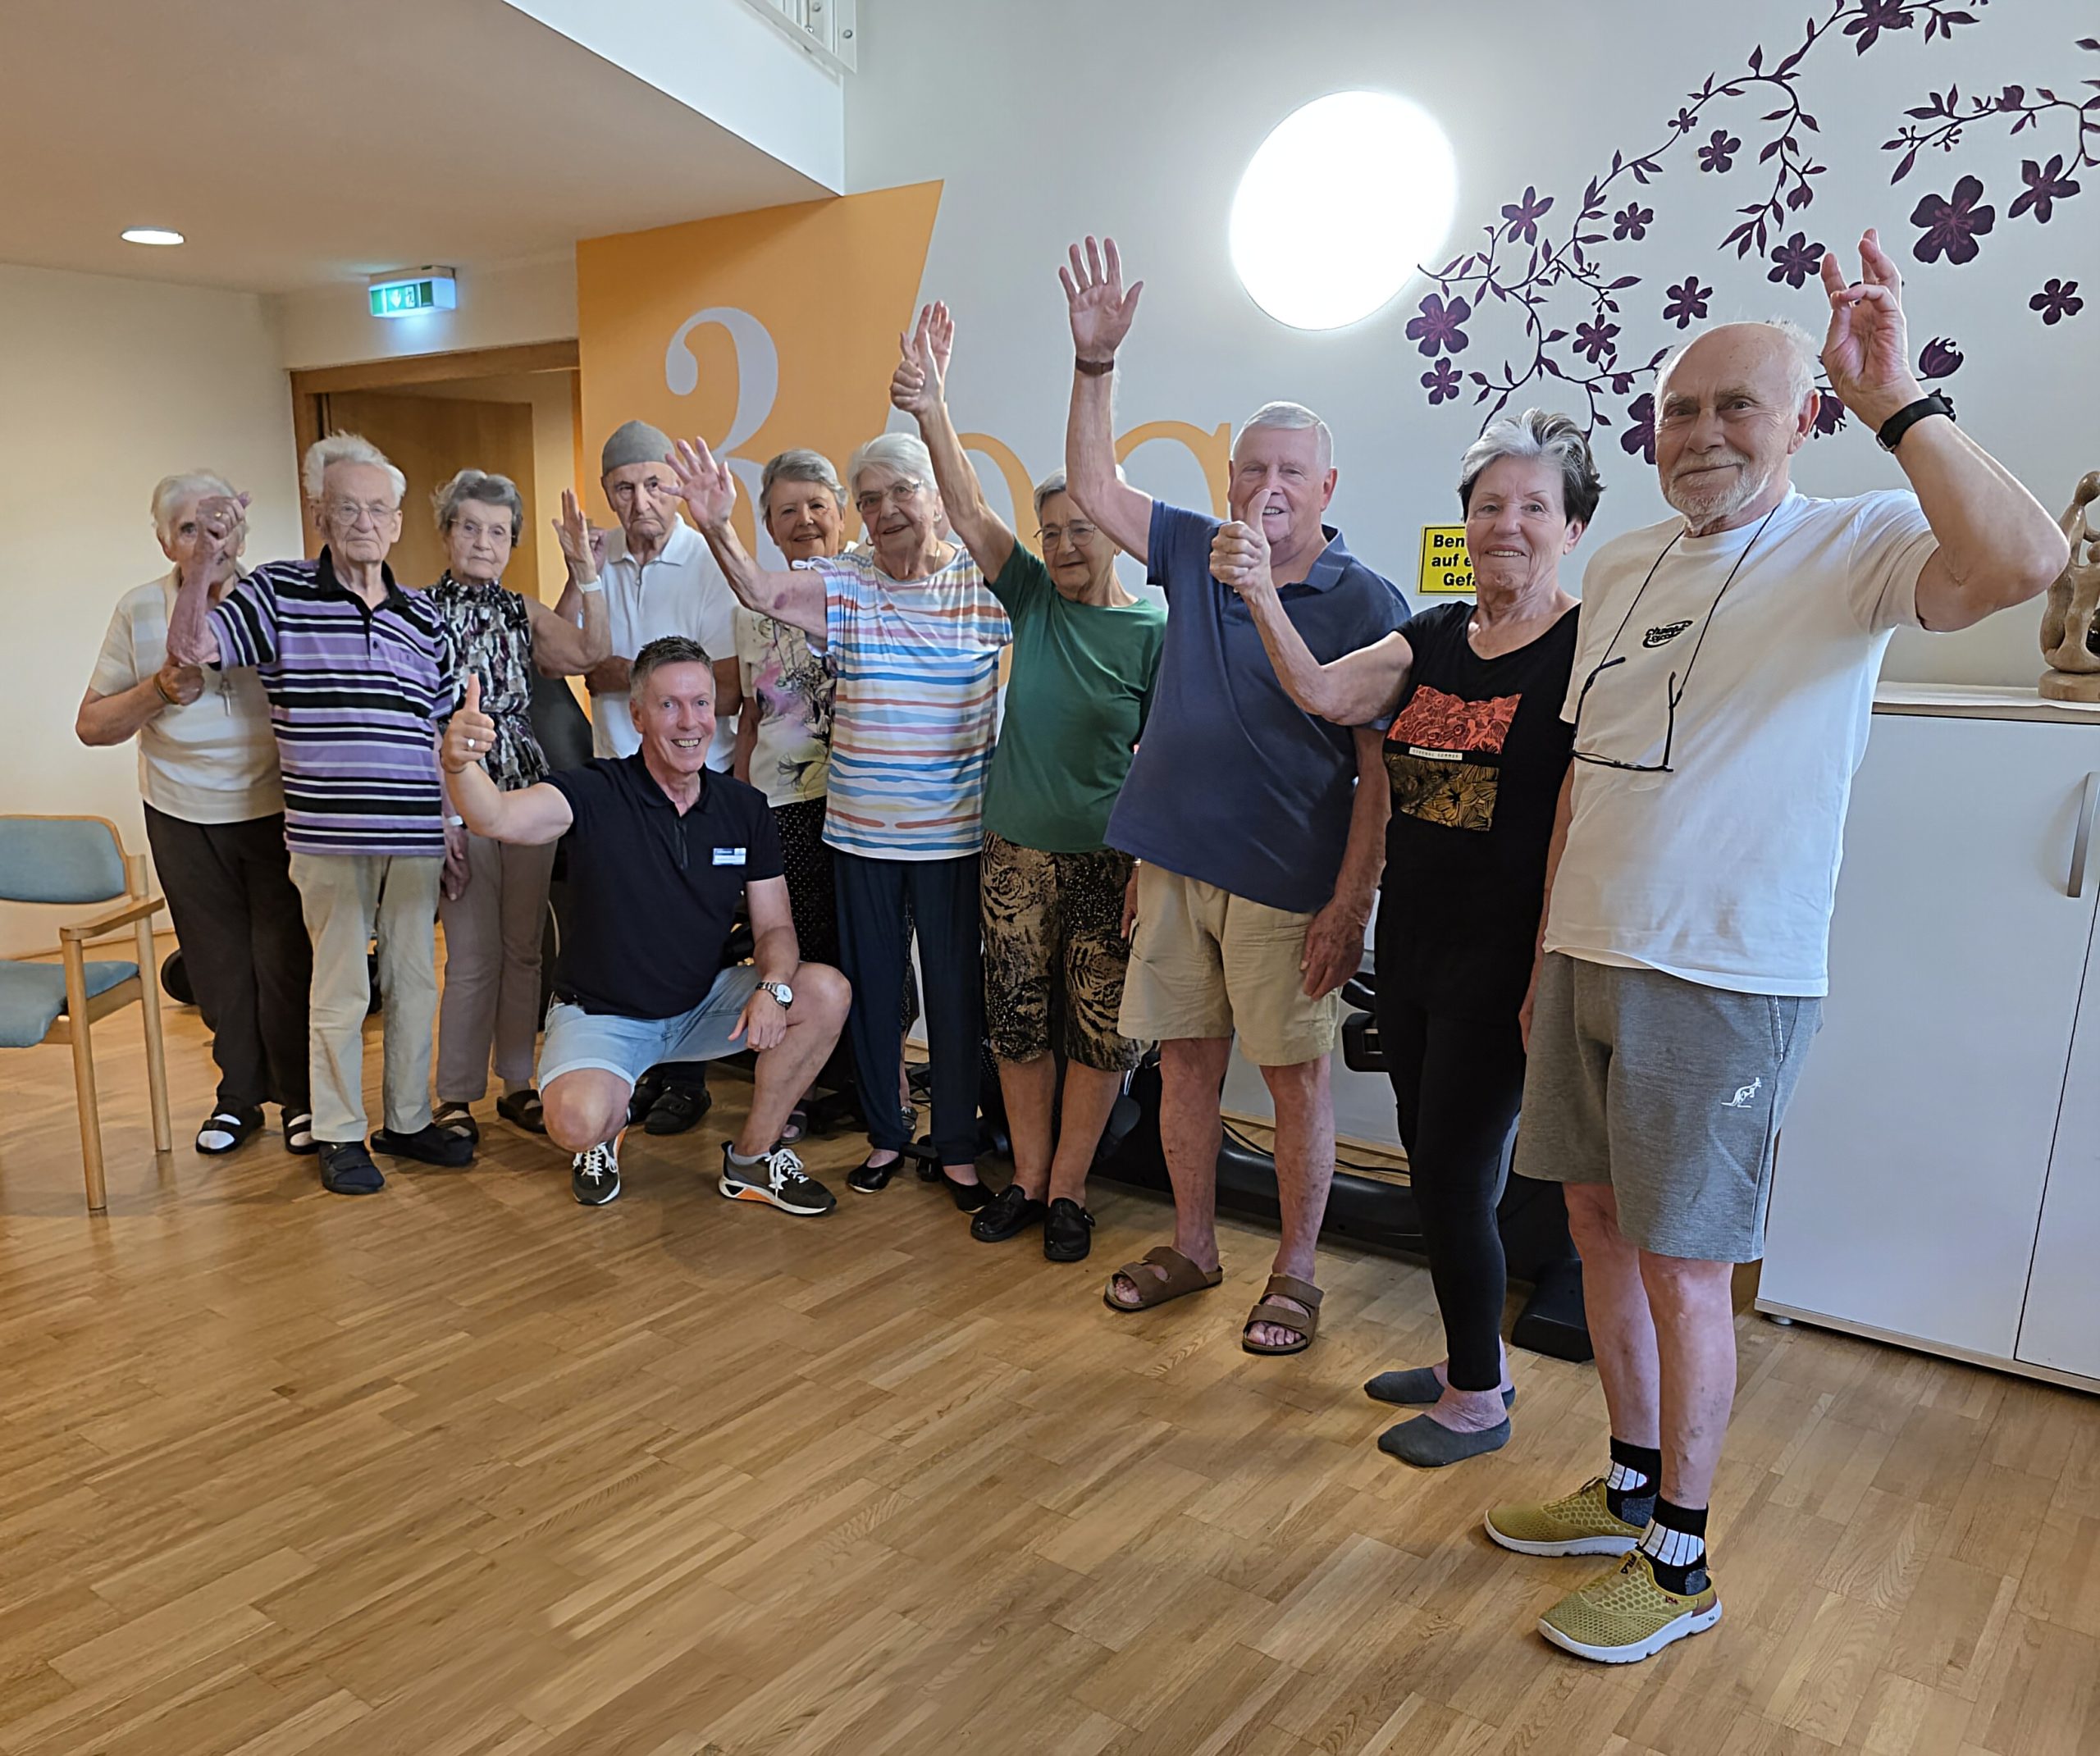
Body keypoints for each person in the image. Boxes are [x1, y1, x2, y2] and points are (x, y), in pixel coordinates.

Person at [1480, 230, 2070, 1665]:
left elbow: (2029, 559)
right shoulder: (1621, 560)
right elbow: (1587, 778)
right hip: (1589, 952)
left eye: (1737, 404)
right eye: (1680, 408)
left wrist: (1897, 397)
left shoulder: (1856, 540)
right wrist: (1547, 955)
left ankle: (1680, 1562)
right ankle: (1628, 1484)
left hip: (1726, 973)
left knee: (1686, 1264)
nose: (1702, 432)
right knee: (1594, 1227)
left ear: (1802, 418)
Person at [1213, 412, 1599, 1459]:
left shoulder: (1583, 648)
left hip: (1506, 962)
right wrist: (1258, 591)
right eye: (1489, 505)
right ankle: (1474, 1358)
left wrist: (1547, 969)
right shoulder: (1431, 639)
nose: (1507, 524)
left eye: (1533, 507)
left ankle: (1478, 1397)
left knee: (1455, 1179)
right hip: (1418, 948)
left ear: (1570, 527)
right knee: (1436, 1169)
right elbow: (1322, 690)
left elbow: (1584, 821)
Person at [1061, 236, 1405, 1352]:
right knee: (1185, 1068)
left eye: (1290, 472)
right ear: (1228, 480)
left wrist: (1351, 902)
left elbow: (1376, 774)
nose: (1268, 490)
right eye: (1252, 470)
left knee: (1296, 1083)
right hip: (1173, 871)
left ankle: (1294, 1274)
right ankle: (1195, 1245)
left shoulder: (1367, 600)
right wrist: (1096, 365)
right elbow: (1093, 488)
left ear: (1327, 487)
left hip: (1285, 888)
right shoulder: (1193, 547)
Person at [673, 427, 1010, 1210]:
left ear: (936, 498)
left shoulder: (983, 582)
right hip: (859, 832)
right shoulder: (846, 582)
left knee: (954, 995)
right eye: (871, 498)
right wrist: (717, 525)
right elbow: (763, 594)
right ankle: (888, 1134)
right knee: (876, 990)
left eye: (903, 492)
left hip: (954, 833)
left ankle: (957, 1149)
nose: (887, 510)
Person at [892, 302, 1166, 1262]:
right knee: (1016, 1025)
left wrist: (1148, 868)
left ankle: (1072, 1191)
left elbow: (1163, 763)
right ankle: (1032, 1178)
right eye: (1050, 531)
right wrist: (931, 407)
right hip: (1012, 853)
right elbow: (968, 510)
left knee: (1097, 1033)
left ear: (1115, 531)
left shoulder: (1152, 632)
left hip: (1107, 864)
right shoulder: (1034, 599)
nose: (1063, 545)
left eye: (1080, 526)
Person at [441, 636, 851, 1212]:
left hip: (700, 1004)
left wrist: (774, 987)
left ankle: (752, 1159)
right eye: (669, 705)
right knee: (576, 1121)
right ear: (637, 715)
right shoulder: (595, 790)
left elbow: (776, 930)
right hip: (604, 1014)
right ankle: (604, 1131)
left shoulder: (743, 807)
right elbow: (497, 817)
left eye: (701, 703)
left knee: (825, 992)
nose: (690, 722)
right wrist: (459, 765)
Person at [166, 434, 468, 1195]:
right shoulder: (277, 591)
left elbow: (441, 732)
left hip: (415, 833)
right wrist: (204, 557)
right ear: (321, 517)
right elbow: (193, 646)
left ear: (397, 523)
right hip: (329, 835)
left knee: (414, 983)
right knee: (340, 988)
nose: (364, 522)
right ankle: (337, 1131)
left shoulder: (426, 617)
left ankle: (407, 1120)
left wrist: (453, 824)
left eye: (377, 509)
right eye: (347, 509)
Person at [76, 472, 313, 1157]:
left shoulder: (278, 598)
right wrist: (157, 690)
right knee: (216, 965)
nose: (209, 540)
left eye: (221, 525)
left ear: (242, 531)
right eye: (189, 528)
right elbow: (92, 724)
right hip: (181, 812)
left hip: (278, 807)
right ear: (164, 542)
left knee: (283, 958)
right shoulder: (139, 608)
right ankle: (238, 1097)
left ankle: (301, 1097)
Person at [568, 419, 743, 1138]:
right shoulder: (599, 560)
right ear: (606, 494)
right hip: (616, 776)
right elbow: (565, 655)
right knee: (623, 926)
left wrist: (623, 674)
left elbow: (725, 687)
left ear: (675, 487)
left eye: (653, 484)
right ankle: (635, 1068)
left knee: (692, 929)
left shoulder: (707, 560)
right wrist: (579, 575)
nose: (639, 502)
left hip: (697, 776)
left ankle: (686, 1081)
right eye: (623, 488)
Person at [426, 471, 610, 1142]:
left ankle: (516, 1083)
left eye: (498, 532)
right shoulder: (417, 613)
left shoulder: (520, 610)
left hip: (526, 784)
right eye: (470, 527)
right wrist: (441, 818)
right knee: (472, 954)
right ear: (447, 532)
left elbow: (589, 652)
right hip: (455, 786)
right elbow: (413, 718)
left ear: (512, 542)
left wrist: (586, 573)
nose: (484, 542)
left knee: (525, 949)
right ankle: (454, 1095)